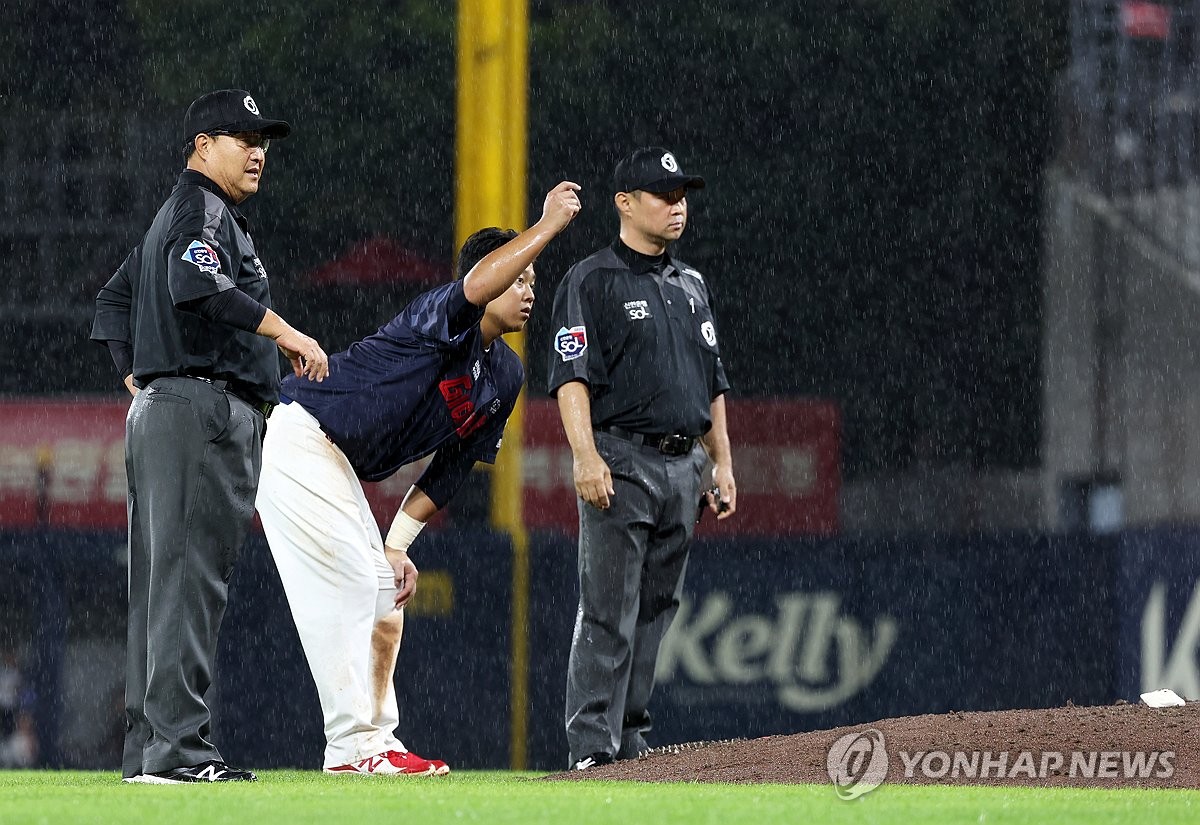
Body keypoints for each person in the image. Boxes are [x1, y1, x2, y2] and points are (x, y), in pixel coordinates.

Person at [255, 181, 582, 777]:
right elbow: (475, 287)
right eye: (519, 277)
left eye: (535, 280)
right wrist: (546, 228)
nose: (529, 290)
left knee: (384, 593)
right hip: (301, 432)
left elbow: (450, 469)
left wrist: (398, 542)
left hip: (335, 459)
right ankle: (356, 748)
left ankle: (371, 747)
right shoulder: (438, 315)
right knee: (358, 586)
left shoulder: (504, 375)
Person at [90, 89, 330, 784]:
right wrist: (282, 329)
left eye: (262, 139)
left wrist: (136, 377)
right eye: (239, 136)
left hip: (171, 407)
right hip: (200, 408)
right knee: (189, 583)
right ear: (201, 146)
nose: (257, 149)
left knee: (162, 584)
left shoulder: (178, 214)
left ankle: (149, 751)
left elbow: (113, 299)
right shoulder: (202, 209)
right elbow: (194, 287)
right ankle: (179, 750)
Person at [547, 147, 737, 770]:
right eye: (663, 193)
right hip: (621, 461)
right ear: (625, 204)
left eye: (681, 193)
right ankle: (591, 750)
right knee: (608, 612)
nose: (677, 204)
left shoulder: (693, 285)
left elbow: (712, 385)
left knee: (655, 613)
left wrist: (723, 465)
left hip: (685, 467)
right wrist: (583, 456)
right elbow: (571, 377)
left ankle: (631, 746)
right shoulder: (591, 279)